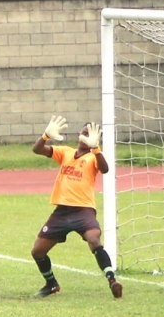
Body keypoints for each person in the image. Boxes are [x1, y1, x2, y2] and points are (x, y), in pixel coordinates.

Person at [30, 116, 123, 299]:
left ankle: (112, 280)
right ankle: (51, 284)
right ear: (78, 135)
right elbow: (37, 149)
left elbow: (104, 169)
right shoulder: (65, 152)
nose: (86, 136)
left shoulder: (92, 157)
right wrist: (46, 135)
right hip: (62, 212)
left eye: (91, 134)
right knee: (37, 251)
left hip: (83, 210)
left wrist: (96, 148)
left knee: (94, 240)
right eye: (84, 132)